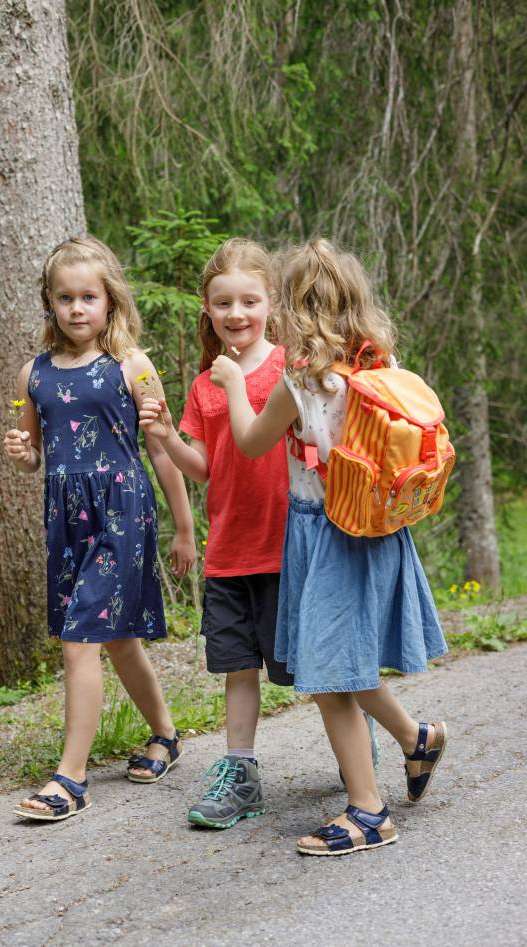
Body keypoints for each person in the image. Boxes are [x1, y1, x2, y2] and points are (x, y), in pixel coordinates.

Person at [209, 237, 448, 855]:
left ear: (291, 311)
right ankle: (417, 737)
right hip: (379, 533)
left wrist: (235, 382)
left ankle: (369, 813)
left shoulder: (299, 384)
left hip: (325, 535)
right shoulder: (383, 364)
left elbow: (250, 441)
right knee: (346, 662)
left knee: (330, 676)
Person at [3, 237, 196, 821]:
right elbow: (34, 451)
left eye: (89, 296)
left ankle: (70, 779)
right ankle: (164, 734)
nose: (78, 308)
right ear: (50, 304)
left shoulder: (132, 365)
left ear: (110, 301)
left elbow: (161, 451)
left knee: (79, 638)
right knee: (114, 637)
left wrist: (184, 529)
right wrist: (22, 456)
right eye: (66, 298)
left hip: (121, 510)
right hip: (66, 516)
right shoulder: (32, 374)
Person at [138, 238, 293, 829]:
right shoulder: (206, 385)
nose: (237, 314)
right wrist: (166, 439)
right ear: (207, 309)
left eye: (249, 301)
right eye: (224, 303)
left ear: (270, 303)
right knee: (237, 667)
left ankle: (355, 750)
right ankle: (241, 773)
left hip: (288, 545)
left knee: (311, 666)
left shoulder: (287, 368)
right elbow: (203, 466)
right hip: (229, 550)